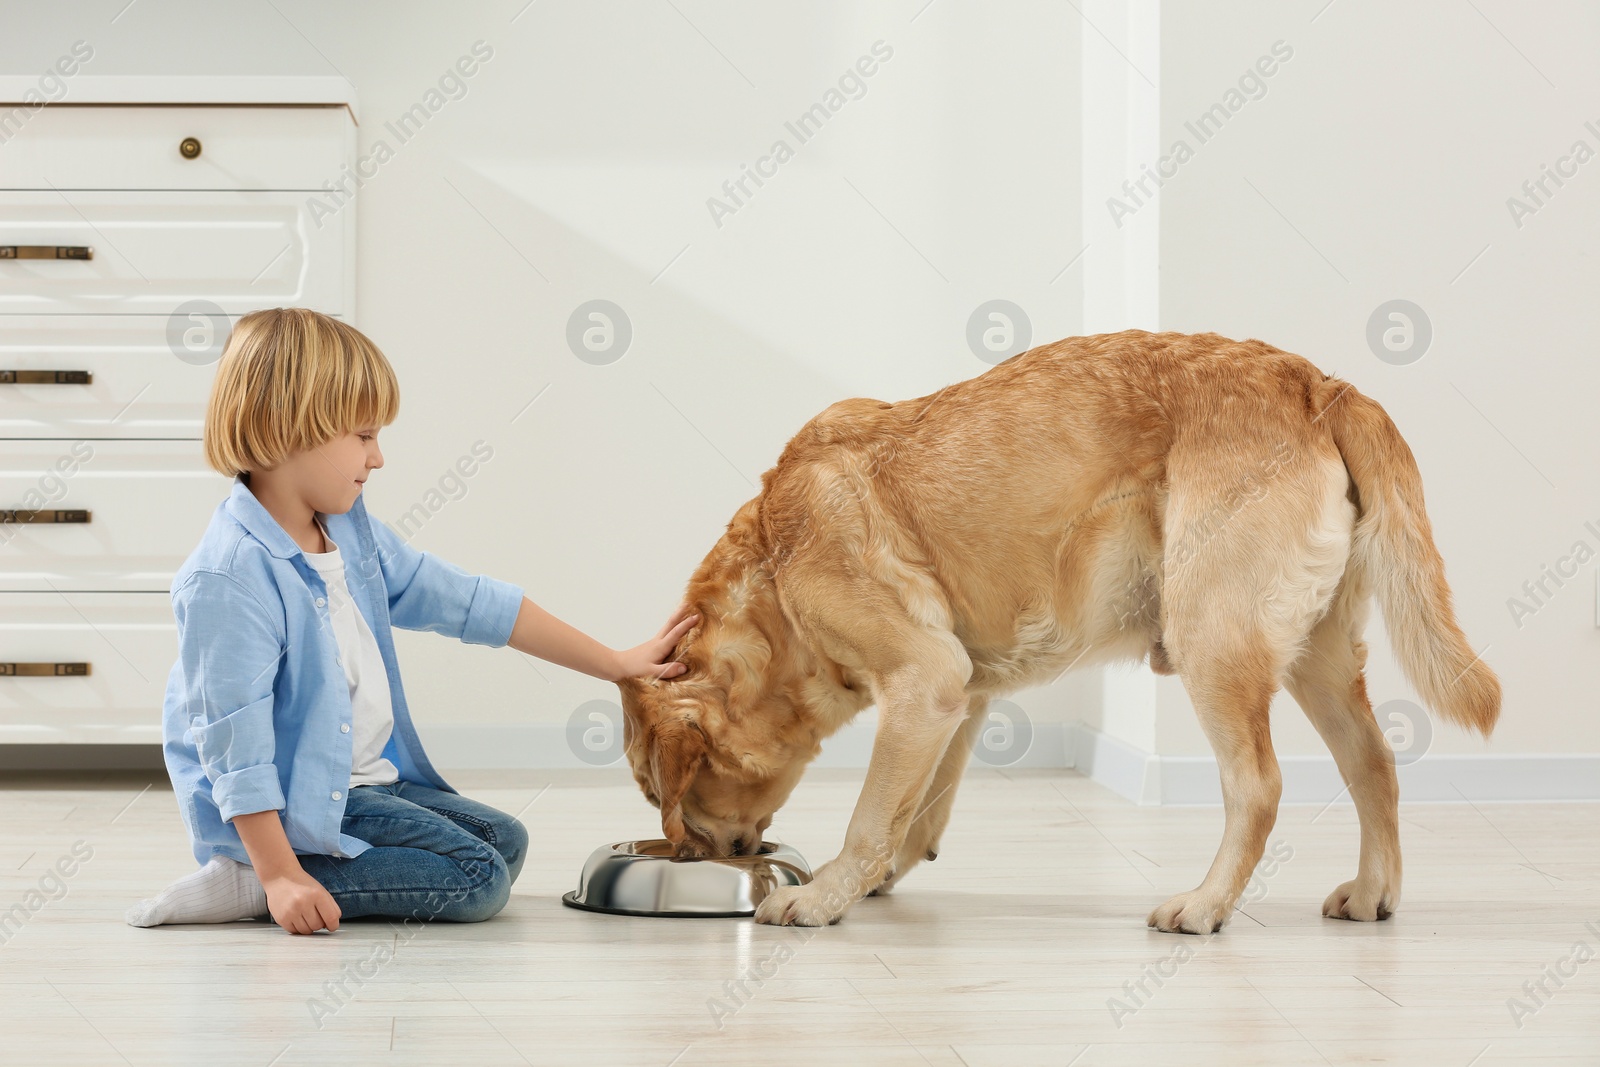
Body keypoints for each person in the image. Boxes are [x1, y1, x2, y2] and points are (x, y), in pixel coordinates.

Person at [126, 307, 696, 934]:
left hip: (360, 790)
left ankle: (302, 868)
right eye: (363, 436)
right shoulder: (229, 577)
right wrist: (278, 874)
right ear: (290, 431)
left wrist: (613, 664)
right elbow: (235, 752)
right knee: (478, 880)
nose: (378, 458)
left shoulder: (346, 530)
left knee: (505, 844)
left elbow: (465, 600)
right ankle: (251, 883)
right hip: (296, 811)